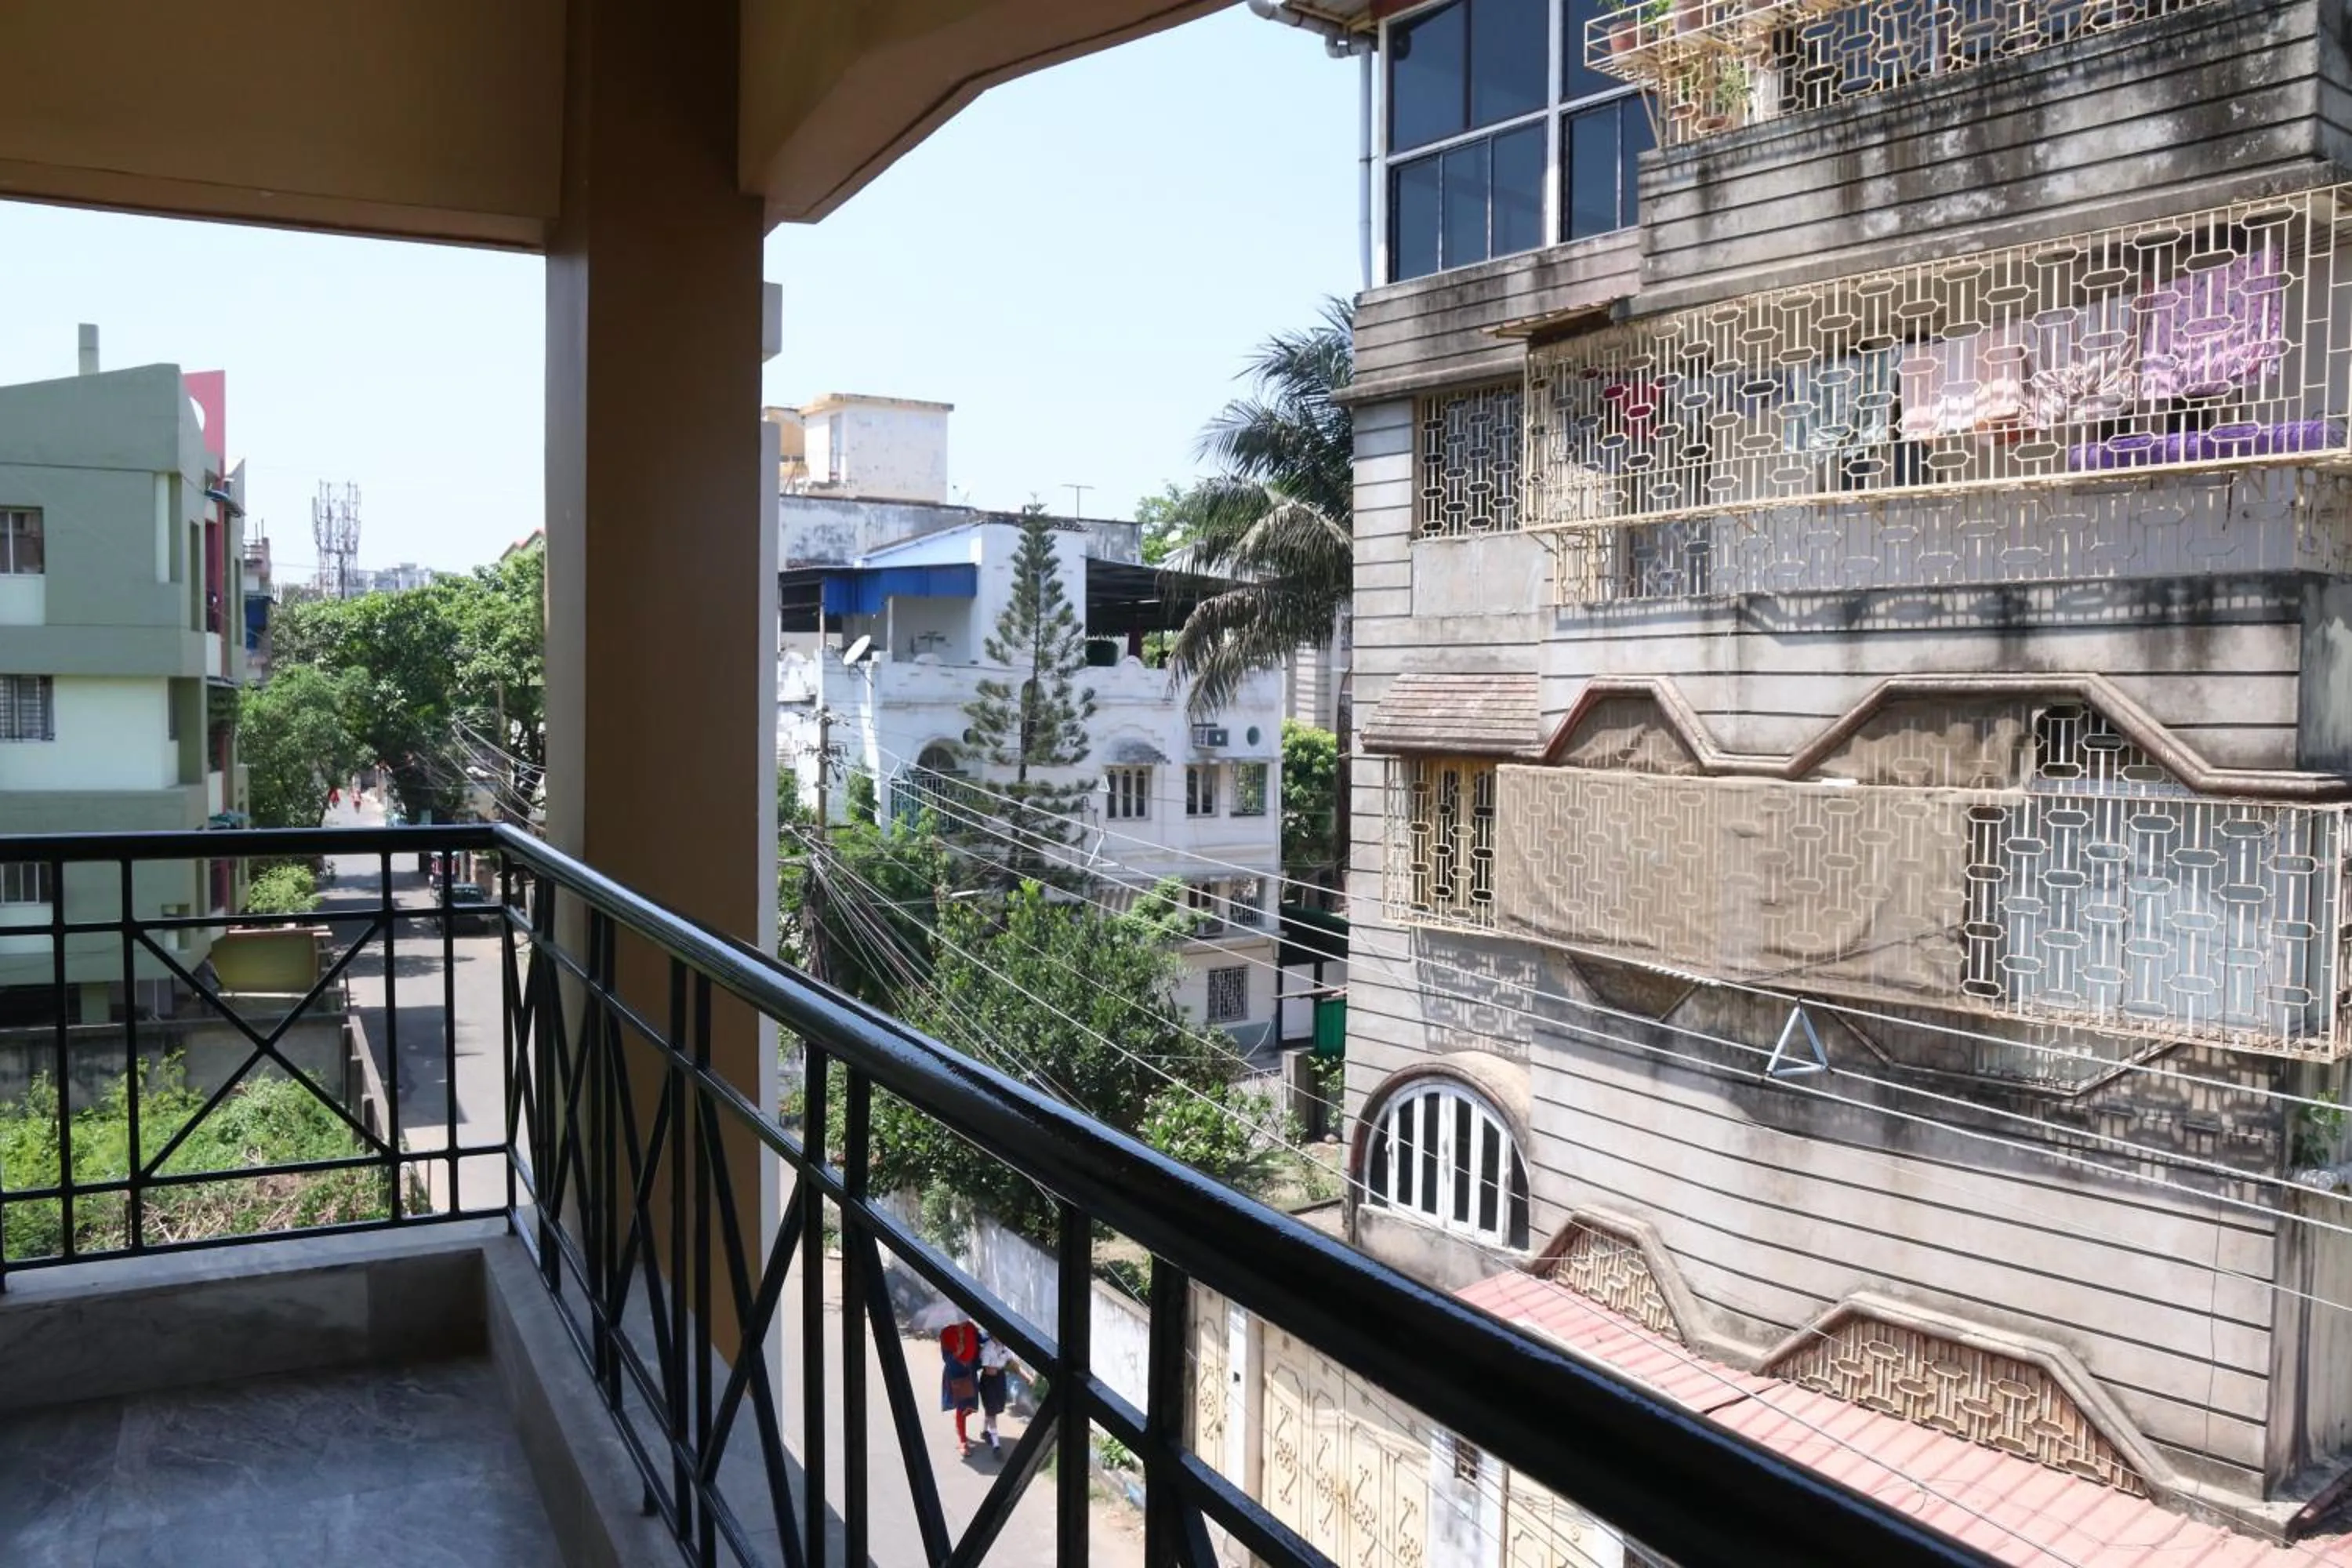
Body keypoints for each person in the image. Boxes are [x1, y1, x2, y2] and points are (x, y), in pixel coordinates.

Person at [938, 1319, 980, 1456]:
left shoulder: (970, 1327)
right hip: (956, 1374)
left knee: (970, 1406)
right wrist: (958, 1352)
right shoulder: (946, 1333)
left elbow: (980, 1340)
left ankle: (959, 1423)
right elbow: (946, 1359)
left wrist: (994, 1336)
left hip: (970, 1371)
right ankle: (963, 1441)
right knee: (961, 1406)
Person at [976, 1330, 1011, 1454]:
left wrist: (1027, 1377)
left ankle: (985, 1431)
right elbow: (989, 1370)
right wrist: (1002, 1365)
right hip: (989, 1381)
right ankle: (996, 1445)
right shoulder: (987, 1349)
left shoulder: (1004, 1347)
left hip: (999, 1378)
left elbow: (1011, 1361)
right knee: (992, 1410)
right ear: (992, 1335)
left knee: (993, 1409)